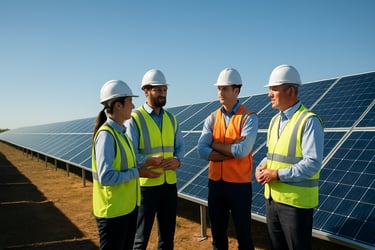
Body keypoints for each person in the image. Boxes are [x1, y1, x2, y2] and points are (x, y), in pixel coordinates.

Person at [255, 64, 324, 250]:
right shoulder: (274, 120)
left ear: (291, 90)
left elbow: (313, 163)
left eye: (274, 89)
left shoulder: (308, 120)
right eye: (270, 89)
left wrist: (276, 175)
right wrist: (260, 167)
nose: (269, 94)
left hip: (295, 205)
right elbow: (271, 153)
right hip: (272, 199)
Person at [92, 80, 161, 250]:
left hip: (127, 209)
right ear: (118, 105)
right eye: (130, 101)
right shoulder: (106, 136)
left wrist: (147, 161)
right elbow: (106, 176)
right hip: (112, 212)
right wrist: (138, 172)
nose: (133, 105)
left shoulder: (121, 133)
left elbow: (128, 161)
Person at [197, 67, 258, 250]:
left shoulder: (249, 117)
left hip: (239, 186)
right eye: (219, 88)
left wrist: (214, 145)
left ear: (236, 91)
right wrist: (230, 150)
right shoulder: (212, 117)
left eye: (224, 88)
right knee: (218, 235)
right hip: (215, 185)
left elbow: (241, 151)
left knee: (243, 236)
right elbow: (201, 151)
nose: (220, 92)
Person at [126, 69, 185, 250]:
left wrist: (177, 160)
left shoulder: (171, 119)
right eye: (158, 90)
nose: (162, 94)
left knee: (167, 238)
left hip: (169, 186)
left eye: (164, 90)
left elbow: (180, 148)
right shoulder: (135, 119)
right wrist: (148, 160)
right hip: (146, 186)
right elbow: (131, 154)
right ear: (146, 91)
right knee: (140, 238)